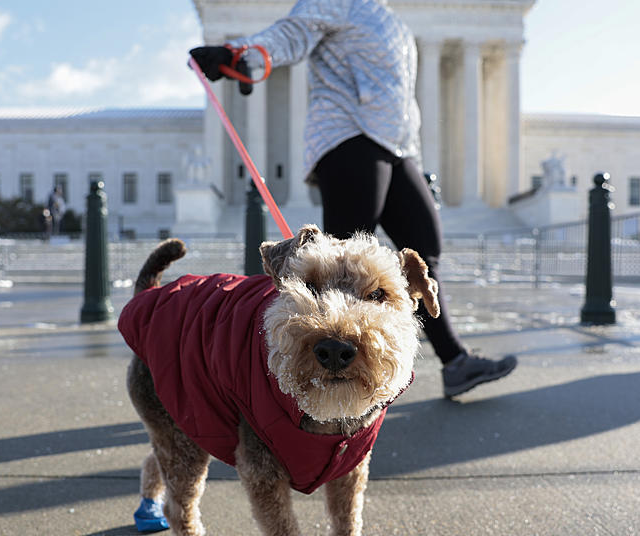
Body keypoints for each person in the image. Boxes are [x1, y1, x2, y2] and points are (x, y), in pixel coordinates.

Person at [190, 0, 516, 399]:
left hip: (396, 146)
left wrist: (410, 149)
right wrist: (242, 54)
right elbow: (293, 33)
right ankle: (306, 374)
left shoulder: (391, 18)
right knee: (340, 267)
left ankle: (455, 363)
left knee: (425, 250)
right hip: (348, 135)